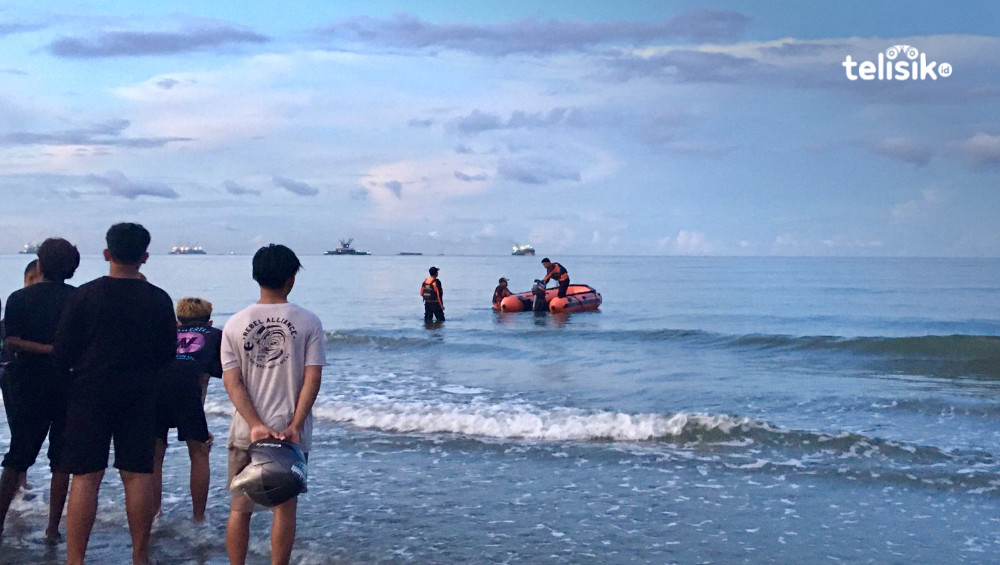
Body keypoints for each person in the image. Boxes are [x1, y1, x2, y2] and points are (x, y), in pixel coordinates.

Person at [53, 223, 177, 565]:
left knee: (86, 477)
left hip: (89, 391)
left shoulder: (84, 295)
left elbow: (62, 351)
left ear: (107, 254)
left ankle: (75, 559)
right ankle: (139, 557)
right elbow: (168, 352)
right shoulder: (159, 299)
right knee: (137, 475)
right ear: (145, 257)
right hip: (139, 392)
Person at [221, 244, 324, 565]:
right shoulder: (308, 322)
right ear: (292, 279)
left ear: (256, 276)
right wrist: (295, 424)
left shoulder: (235, 323)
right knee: (285, 509)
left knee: (240, 509)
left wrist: (254, 424)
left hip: (246, 433)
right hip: (290, 436)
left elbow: (232, 381)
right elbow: (312, 379)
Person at [0, 240, 80, 543]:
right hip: (67, 383)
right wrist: (58, 351)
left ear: (40, 266)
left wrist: (46, 350)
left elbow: (12, 342)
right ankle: (52, 529)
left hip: (28, 382)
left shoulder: (20, 298)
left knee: (19, 454)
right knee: (61, 458)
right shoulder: (77, 298)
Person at [152, 297, 222, 523]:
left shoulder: (164, 332)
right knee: (199, 452)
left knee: (155, 455)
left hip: (155, 390)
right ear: (208, 321)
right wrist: (200, 421)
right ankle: (198, 517)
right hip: (187, 393)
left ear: (178, 320)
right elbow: (203, 379)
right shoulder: (215, 335)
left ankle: (154, 513)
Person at [0, 259, 43, 495]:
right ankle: (19, 481)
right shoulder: (14, 314)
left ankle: (20, 481)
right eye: (30, 280)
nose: (35, 284)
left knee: (23, 436)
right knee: (20, 434)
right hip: (16, 378)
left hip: (28, 378)